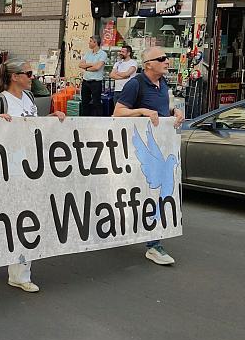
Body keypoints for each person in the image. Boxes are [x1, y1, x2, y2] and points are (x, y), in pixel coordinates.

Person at [0, 61, 67, 293]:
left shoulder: (28, 97)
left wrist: (52, 116)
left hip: (29, 166)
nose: (32, 77)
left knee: (25, 217)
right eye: (28, 73)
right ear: (14, 77)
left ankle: (20, 272)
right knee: (0, 215)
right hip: (5, 169)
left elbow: (33, 124)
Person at [112, 45, 185, 267]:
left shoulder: (163, 84)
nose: (167, 61)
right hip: (138, 150)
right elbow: (117, 112)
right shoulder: (135, 84)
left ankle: (154, 244)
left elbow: (166, 108)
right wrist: (141, 111)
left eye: (167, 57)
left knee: (158, 194)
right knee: (134, 194)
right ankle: (119, 227)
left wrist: (175, 112)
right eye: (162, 58)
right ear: (148, 64)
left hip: (161, 150)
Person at [78, 35, 108, 116]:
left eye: (90, 41)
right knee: (84, 102)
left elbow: (97, 67)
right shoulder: (88, 53)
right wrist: (91, 64)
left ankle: (98, 121)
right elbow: (80, 65)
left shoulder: (103, 54)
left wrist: (86, 68)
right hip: (86, 81)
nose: (89, 43)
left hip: (96, 82)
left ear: (95, 42)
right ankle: (84, 119)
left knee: (96, 103)